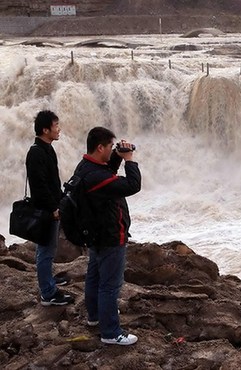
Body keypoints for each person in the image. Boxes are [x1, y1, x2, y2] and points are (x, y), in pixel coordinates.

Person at [74, 126, 141, 346]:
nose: (113, 149)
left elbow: (107, 175)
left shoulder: (85, 168)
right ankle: (111, 332)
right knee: (110, 286)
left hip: (96, 234)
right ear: (100, 147)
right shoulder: (96, 177)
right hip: (110, 236)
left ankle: (94, 317)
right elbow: (132, 185)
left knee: (94, 278)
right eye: (110, 147)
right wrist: (129, 160)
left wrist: (116, 158)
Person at [26, 110, 74, 306]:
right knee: (45, 251)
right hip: (46, 211)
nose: (59, 129)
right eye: (56, 126)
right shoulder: (36, 153)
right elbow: (39, 187)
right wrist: (53, 208)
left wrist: (62, 201)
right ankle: (48, 293)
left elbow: (52, 182)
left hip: (52, 207)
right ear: (45, 130)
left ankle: (48, 281)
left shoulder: (47, 149)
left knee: (47, 249)